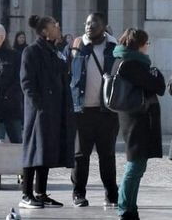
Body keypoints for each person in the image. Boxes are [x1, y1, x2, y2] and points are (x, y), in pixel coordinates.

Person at [108, 27, 165, 220]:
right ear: (139, 45)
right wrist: (155, 72)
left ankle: (130, 207)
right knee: (135, 165)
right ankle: (125, 207)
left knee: (138, 165)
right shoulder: (132, 64)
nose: (148, 47)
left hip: (132, 117)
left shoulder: (122, 60)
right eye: (146, 43)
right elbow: (158, 86)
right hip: (136, 119)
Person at [20, 12, 75, 210]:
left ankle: (41, 193)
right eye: (54, 25)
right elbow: (26, 82)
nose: (58, 27)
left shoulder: (54, 50)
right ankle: (26, 193)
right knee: (33, 151)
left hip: (55, 109)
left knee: (45, 152)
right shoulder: (31, 51)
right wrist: (39, 105)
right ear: (45, 31)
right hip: (39, 112)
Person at [70, 12, 120, 209]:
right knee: (80, 156)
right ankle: (78, 193)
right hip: (82, 110)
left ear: (104, 26)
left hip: (106, 111)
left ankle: (111, 194)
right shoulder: (77, 46)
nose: (89, 27)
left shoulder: (113, 48)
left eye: (94, 24)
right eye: (87, 23)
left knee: (107, 155)